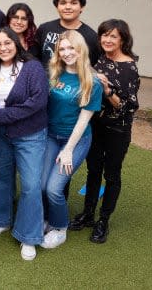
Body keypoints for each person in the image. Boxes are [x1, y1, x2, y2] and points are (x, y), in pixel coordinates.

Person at [69, 19, 140, 243]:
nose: (107, 40)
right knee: (93, 170)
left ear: (122, 40)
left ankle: (103, 221)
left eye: (113, 36)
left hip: (117, 129)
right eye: (104, 35)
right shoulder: (100, 58)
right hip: (96, 126)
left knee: (111, 175)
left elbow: (126, 106)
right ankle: (88, 214)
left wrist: (108, 90)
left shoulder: (129, 67)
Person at [0, 28, 49, 261]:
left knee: (31, 185)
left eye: (7, 43)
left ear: (17, 43)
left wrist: (0, 116)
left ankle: (29, 236)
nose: (3, 48)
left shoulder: (32, 67)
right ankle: (1, 220)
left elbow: (37, 102)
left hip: (30, 135)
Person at [40, 30, 102, 249]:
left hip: (75, 140)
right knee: (40, 184)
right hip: (50, 136)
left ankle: (59, 228)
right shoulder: (54, 72)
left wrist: (67, 150)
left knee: (54, 189)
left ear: (80, 49)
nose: (66, 53)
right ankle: (46, 219)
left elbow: (84, 120)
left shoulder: (92, 82)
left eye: (71, 48)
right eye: (62, 49)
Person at [35, 0, 101, 68]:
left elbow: (90, 67)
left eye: (73, 3)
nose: (68, 7)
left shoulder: (91, 37)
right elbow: (34, 58)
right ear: (57, 7)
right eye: (63, 3)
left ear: (82, 7)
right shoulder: (44, 28)